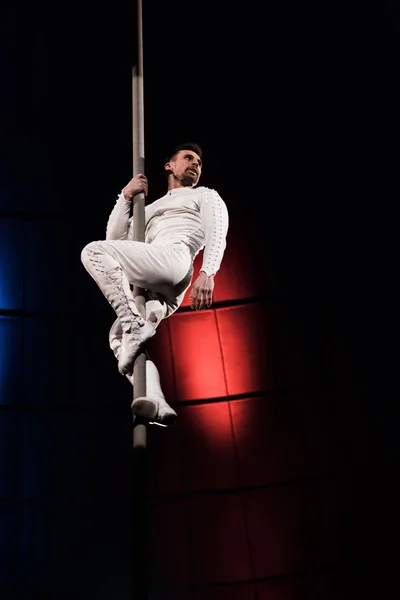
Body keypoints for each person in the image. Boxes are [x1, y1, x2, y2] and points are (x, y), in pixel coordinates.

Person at [81, 142, 229, 426]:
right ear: (169, 166)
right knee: (118, 339)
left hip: (175, 259)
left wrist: (208, 272)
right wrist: (125, 198)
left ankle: (134, 323)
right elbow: (115, 239)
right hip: (156, 283)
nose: (196, 163)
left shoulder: (205, 195)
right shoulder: (149, 208)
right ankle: (156, 401)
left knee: (92, 252)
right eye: (188, 158)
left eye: (199, 161)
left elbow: (217, 231)